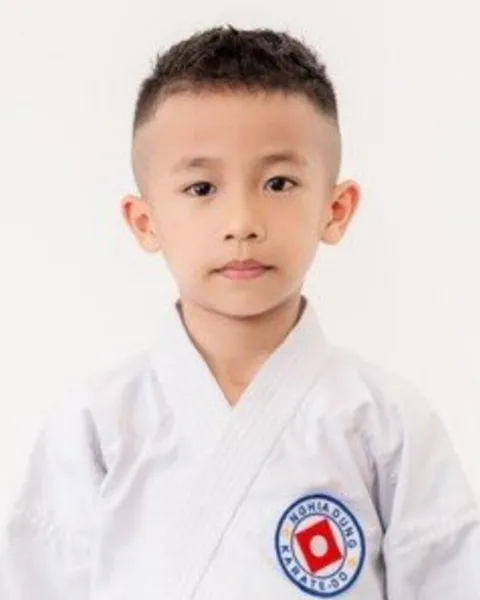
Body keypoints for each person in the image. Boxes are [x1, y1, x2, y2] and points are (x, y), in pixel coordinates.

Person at [0, 25, 478, 600]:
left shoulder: (385, 419)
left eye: (278, 182)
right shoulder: (96, 424)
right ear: (145, 222)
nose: (242, 222)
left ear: (335, 209)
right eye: (202, 188)